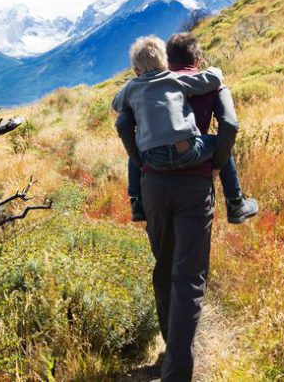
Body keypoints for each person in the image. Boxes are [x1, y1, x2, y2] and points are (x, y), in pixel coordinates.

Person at [112, 32, 248, 380]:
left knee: (165, 267)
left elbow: (124, 122)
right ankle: (176, 370)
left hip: (153, 182)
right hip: (194, 181)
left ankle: (171, 350)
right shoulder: (194, 84)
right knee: (188, 278)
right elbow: (230, 125)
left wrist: (139, 165)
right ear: (196, 59)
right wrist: (217, 163)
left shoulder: (136, 88)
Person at [114, 35, 258, 224]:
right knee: (217, 142)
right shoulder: (174, 80)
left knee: (136, 146)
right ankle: (235, 202)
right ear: (164, 62)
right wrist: (214, 69)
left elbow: (117, 106)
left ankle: (137, 202)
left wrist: (132, 89)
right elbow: (211, 80)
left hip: (152, 157)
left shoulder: (131, 87)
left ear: (136, 70)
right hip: (186, 151)